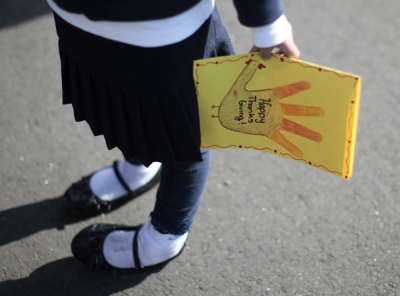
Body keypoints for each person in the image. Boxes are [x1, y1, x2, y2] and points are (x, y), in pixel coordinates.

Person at [47, 0, 300, 270]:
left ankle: (165, 236)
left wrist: (268, 22)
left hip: (167, 33)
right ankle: (139, 169)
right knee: (124, 110)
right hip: (78, 22)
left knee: (186, 138)